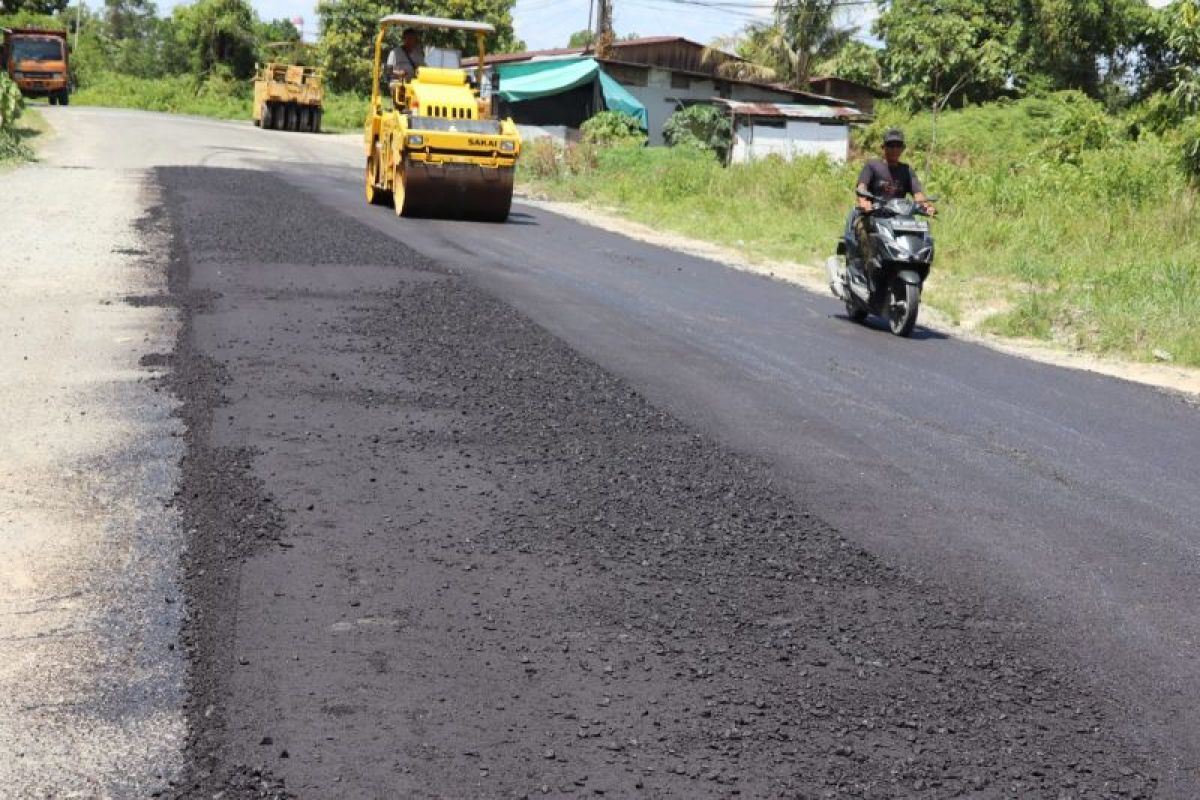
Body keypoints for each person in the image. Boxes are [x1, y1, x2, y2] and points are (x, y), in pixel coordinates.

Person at [844, 128, 935, 277]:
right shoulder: (873, 166)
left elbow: (917, 194)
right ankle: (867, 275)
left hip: (899, 219)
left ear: (903, 149)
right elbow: (862, 186)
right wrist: (864, 202)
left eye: (898, 145)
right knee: (865, 237)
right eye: (890, 145)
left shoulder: (906, 170)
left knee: (920, 239)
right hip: (873, 216)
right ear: (883, 147)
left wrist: (926, 206)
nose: (894, 149)